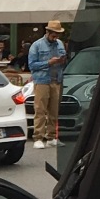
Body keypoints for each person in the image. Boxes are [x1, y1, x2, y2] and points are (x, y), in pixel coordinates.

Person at [28, 19, 67, 148]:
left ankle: (51, 137)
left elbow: (64, 59)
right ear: (48, 32)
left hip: (56, 80)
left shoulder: (60, 44)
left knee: (54, 111)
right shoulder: (37, 45)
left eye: (58, 34)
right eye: (54, 33)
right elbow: (32, 65)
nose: (56, 36)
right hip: (42, 80)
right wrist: (48, 63)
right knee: (40, 109)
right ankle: (38, 137)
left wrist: (62, 61)